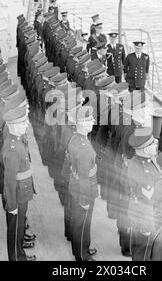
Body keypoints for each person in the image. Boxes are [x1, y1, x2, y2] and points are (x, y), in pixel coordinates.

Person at [1, 106, 36, 261]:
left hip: (23, 191)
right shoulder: (13, 148)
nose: (26, 125)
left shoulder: (16, 139)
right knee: (16, 229)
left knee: (20, 227)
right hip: (17, 194)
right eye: (22, 123)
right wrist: (12, 205)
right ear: (13, 126)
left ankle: (20, 255)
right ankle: (16, 258)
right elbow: (9, 181)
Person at [67, 105, 98, 261]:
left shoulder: (76, 138)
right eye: (90, 119)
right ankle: (82, 256)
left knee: (79, 222)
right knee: (83, 223)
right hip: (84, 189)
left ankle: (81, 249)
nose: (92, 122)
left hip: (75, 184)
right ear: (83, 123)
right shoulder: (84, 147)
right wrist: (85, 199)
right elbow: (85, 177)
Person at [126, 133, 161, 261]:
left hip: (148, 215)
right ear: (146, 149)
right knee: (143, 252)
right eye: (153, 144)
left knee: (146, 250)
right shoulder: (139, 167)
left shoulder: (147, 160)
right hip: (144, 217)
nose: (155, 144)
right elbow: (146, 198)